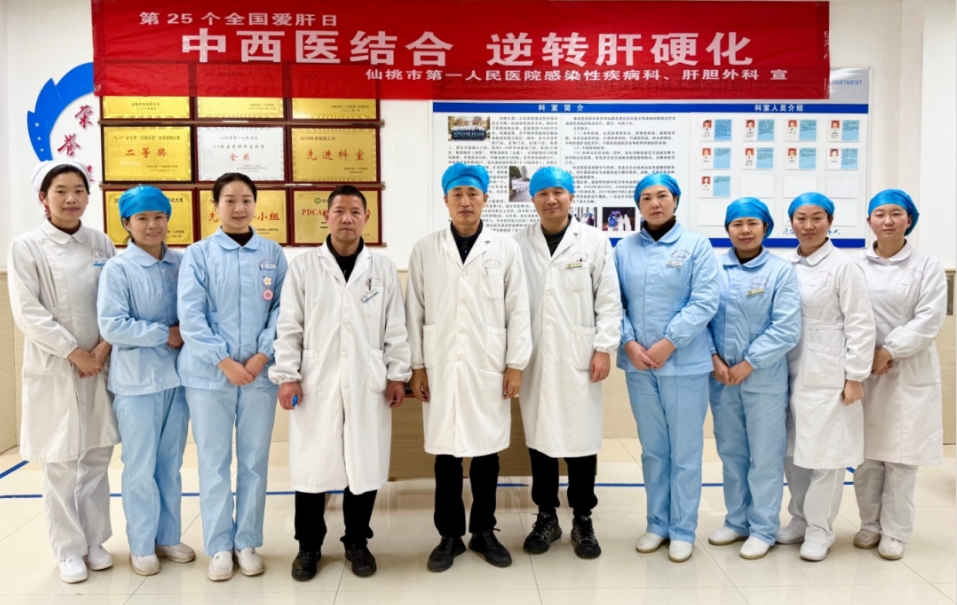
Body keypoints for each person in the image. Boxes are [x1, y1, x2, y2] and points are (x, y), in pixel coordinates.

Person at [270, 185, 412, 580]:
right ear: (327, 217)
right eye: (339, 211)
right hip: (316, 381)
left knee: (363, 463)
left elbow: (395, 327)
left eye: (354, 212)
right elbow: (289, 326)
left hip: (368, 380)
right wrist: (288, 376)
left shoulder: (382, 268)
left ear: (367, 218)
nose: (346, 218)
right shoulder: (304, 267)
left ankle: (357, 541)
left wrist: (397, 374)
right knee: (313, 466)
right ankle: (308, 546)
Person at [406, 163, 532, 572]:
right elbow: (414, 310)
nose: (465, 201)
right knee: (446, 456)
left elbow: (519, 309)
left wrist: (515, 364)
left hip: (488, 364)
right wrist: (417, 366)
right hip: (440, 363)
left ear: (485, 200)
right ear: (445, 200)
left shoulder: (505, 248)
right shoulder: (426, 249)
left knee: (487, 453)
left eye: (472, 194)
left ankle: (484, 531)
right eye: (457, 194)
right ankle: (449, 536)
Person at [8, 160, 118, 583]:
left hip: (99, 363)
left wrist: (102, 349)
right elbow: (28, 311)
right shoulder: (27, 246)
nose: (71, 199)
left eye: (78, 190)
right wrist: (75, 353)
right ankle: (69, 548)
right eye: (61, 191)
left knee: (97, 455)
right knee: (60, 461)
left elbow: (115, 299)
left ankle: (95, 540)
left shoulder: (100, 242)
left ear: (88, 196)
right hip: (56, 366)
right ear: (44, 198)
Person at [177, 172, 287, 581]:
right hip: (210, 376)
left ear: (256, 204)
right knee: (214, 461)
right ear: (215, 206)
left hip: (259, 376)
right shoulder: (198, 255)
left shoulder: (272, 253)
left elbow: (283, 311)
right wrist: (224, 361)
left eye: (246, 200)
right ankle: (220, 545)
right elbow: (191, 316)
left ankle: (247, 542)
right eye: (229, 200)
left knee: (255, 460)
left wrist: (261, 357)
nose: (239, 208)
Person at [513, 167, 621, 559]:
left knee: (581, 440)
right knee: (540, 439)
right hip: (535, 356)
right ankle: (546, 516)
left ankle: (582, 517)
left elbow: (608, 298)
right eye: (542, 193)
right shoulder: (518, 243)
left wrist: (604, 347)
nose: (550, 199)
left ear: (571, 197)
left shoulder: (593, 241)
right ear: (532, 199)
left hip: (580, 355)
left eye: (558, 192)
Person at [615, 173, 720, 563]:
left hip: (684, 363)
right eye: (646, 197)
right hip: (639, 364)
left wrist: (669, 342)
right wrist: (629, 342)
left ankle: (683, 529)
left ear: (675, 200)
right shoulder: (624, 249)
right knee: (654, 450)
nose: (655, 203)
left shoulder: (696, 246)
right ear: (638, 206)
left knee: (686, 451)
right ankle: (657, 523)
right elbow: (613, 301)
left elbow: (705, 300)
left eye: (662, 196)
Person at [96, 186, 194, 576]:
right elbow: (113, 325)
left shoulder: (181, 263)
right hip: (137, 383)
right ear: (126, 223)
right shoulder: (118, 269)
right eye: (142, 218)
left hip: (177, 380)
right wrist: (165, 334)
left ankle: (167, 537)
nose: (152, 225)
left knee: (170, 463)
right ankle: (141, 544)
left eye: (159, 217)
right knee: (139, 466)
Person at [776, 192, 875, 562]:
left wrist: (855, 376)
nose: (808, 225)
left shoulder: (844, 266)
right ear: (791, 223)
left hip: (829, 372)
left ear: (830, 222)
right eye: (801, 218)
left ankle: (821, 529)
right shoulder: (785, 264)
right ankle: (800, 519)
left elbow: (860, 323)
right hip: (787, 370)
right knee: (793, 452)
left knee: (826, 455)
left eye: (817, 218)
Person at [853, 190, 947, 560]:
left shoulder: (927, 265)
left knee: (902, 457)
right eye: (880, 214)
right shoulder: (855, 264)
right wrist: (866, 355)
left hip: (908, 370)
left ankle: (895, 531)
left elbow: (929, 318)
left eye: (896, 213)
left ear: (910, 220)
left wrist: (889, 350)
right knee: (866, 456)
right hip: (864, 369)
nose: (888, 220)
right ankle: (870, 524)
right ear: (869, 221)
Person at [707, 198, 802, 560]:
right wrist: (714, 359)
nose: (744, 230)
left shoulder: (780, 272)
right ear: (727, 229)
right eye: (737, 224)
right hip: (722, 379)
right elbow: (702, 318)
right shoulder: (713, 269)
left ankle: (763, 527)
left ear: (766, 228)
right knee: (732, 452)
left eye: (752, 223)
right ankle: (736, 521)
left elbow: (786, 328)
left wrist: (749, 363)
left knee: (764, 455)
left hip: (763, 379)